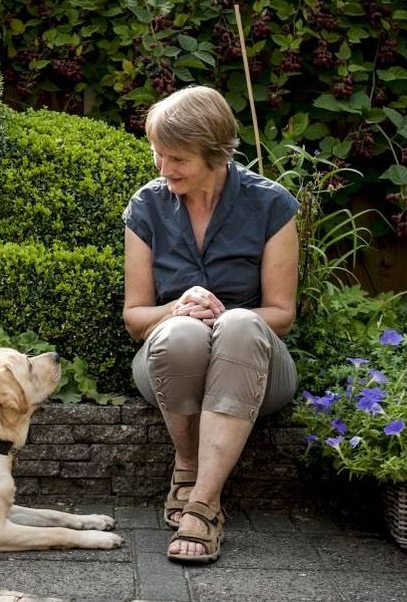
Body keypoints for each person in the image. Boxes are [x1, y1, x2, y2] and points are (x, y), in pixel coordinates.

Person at [122, 85, 299, 564]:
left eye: (177, 158)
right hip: (169, 362)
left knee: (240, 325)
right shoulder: (147, 205)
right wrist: (174, 309)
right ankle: (187, 463)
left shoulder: (271, 204)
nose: (164, 169)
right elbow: (136, 316)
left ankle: (202, 503)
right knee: (182, 332)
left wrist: (225, 316)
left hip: (256, 366)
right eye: (159, 155)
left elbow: (281, 314)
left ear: (217, 154)